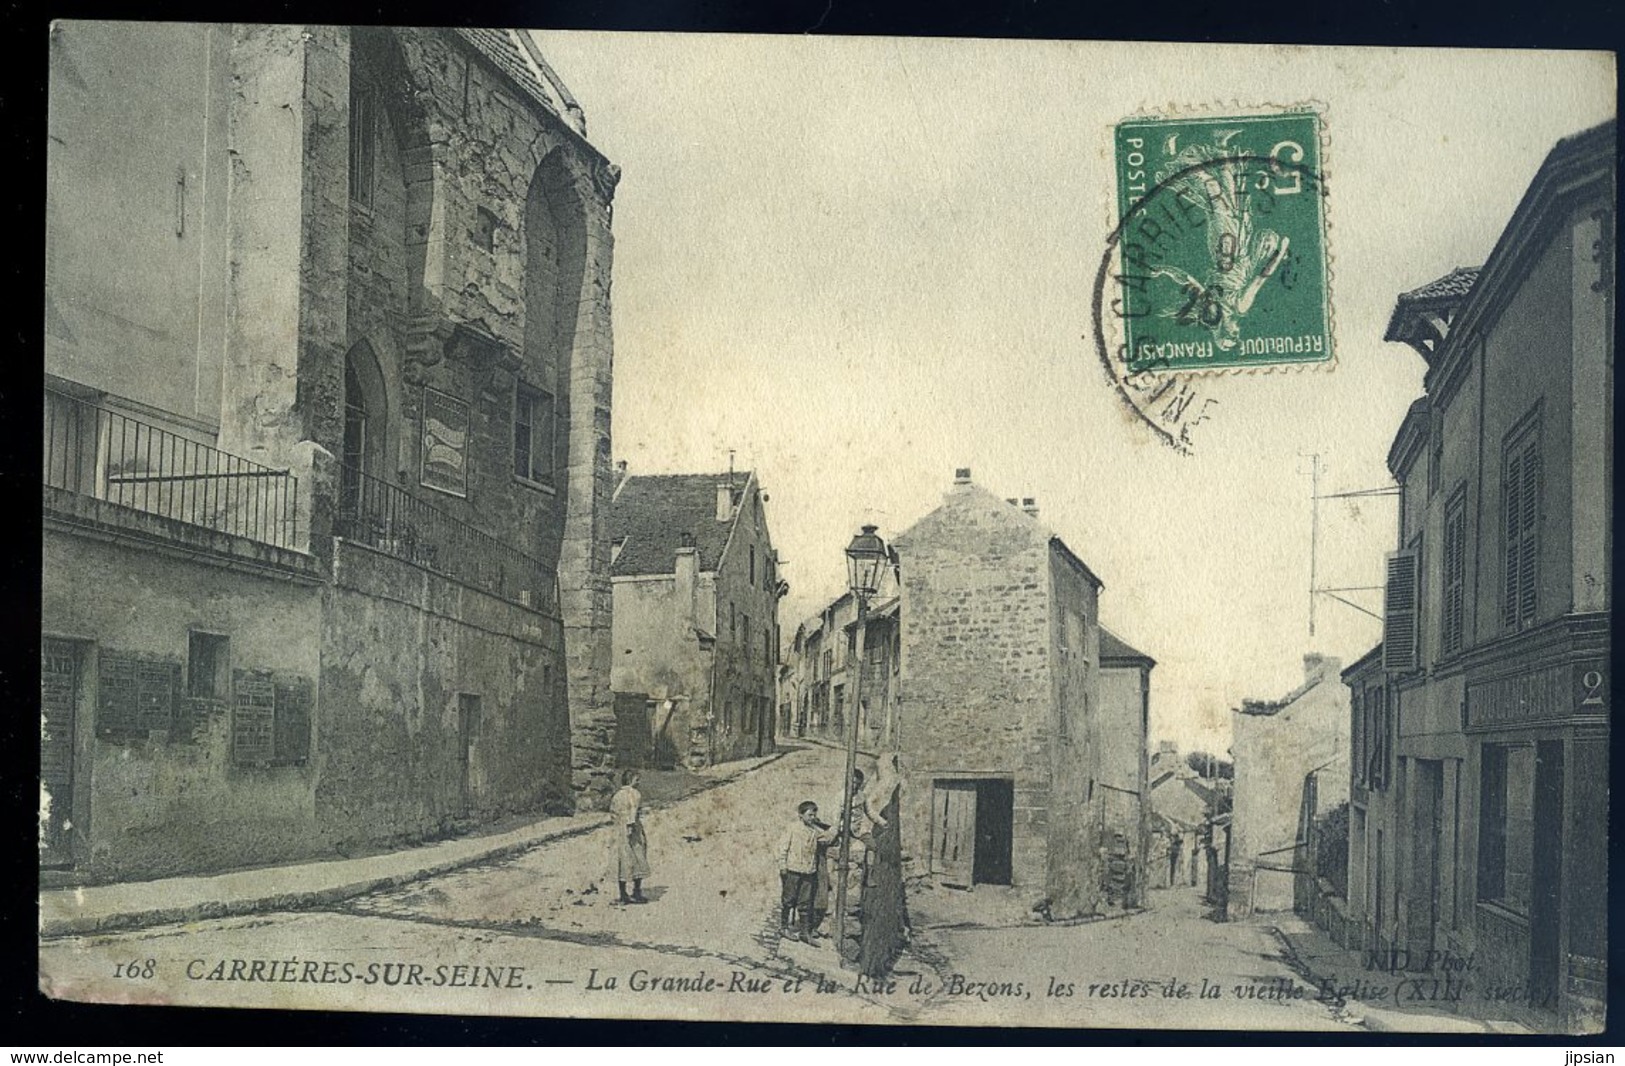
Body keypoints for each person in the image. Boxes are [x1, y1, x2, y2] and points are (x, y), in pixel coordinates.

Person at [778, 800, 836, 942]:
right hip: (792, 870)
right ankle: (784, 927)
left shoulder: (815, 831)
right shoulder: (792, 828)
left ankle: (804, 933)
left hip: (808, 871)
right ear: (800, 815)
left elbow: (829, 838)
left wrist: (823, 826)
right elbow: (782, 847)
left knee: (805, 902)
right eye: (809, 815)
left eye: (814, 815)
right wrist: (782, 865)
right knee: (789, 899)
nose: (812, 818)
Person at [609, 769, 650, 904]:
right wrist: (631, 825)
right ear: (631, 780)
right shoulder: (634, 794)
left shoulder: (617, 795)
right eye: (637, 780)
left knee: (622, 859)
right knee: (638, 857)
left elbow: (613, 813)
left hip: (619, 830)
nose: (639, 782)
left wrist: (619, 824)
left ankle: (623, 894)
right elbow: (633, 810)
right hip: (633, 831)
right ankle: (637, 891)